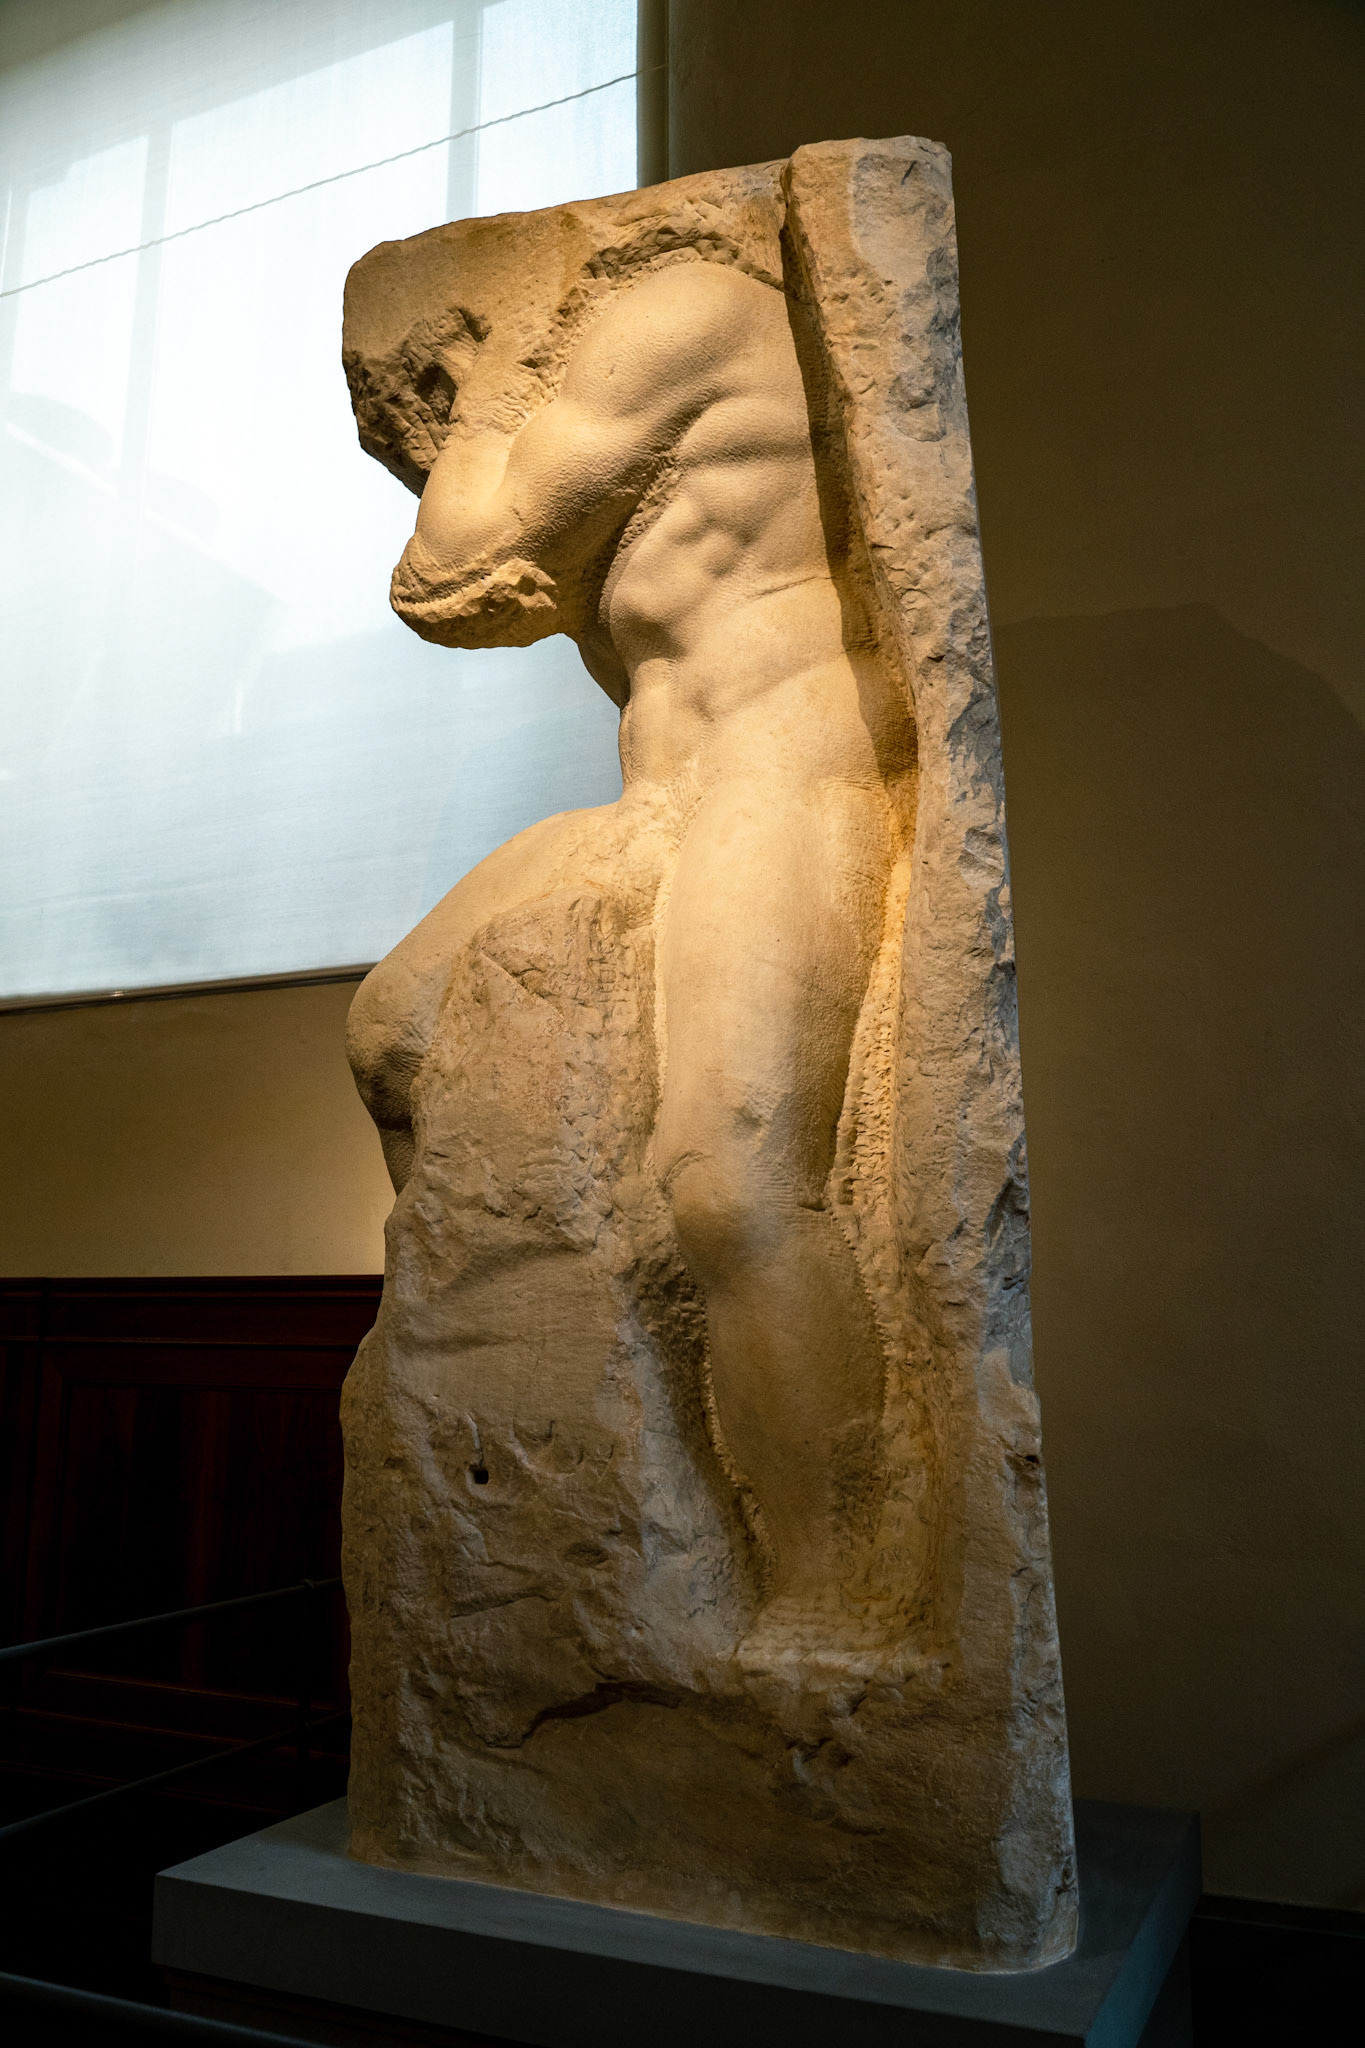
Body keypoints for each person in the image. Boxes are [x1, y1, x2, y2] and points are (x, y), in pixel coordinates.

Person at [350, 258, 917, 1638]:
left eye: (409, 396)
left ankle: (838, 1592)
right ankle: (517, 1364)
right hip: (660, 793)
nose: (412, 431)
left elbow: (454, 578)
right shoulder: (601, 399)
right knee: (393, 1028)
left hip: (787, 751)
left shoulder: (671, 313)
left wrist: (485, 401)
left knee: (733, 1181)